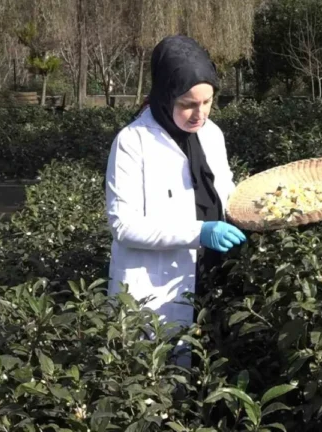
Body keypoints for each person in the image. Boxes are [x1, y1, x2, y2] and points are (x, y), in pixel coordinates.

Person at [105, 35, 247, 336]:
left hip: (210, 274)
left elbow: (224, 189)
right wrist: (200, 232)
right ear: (166, 96)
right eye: (188, 105)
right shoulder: (133, 141)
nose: (200, 114)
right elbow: (123, 225)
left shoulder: (211, 134)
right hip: (156, 287)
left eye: (208, 102)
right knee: (161, 368)